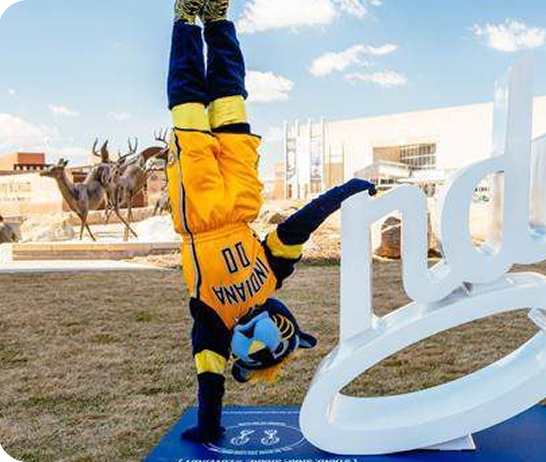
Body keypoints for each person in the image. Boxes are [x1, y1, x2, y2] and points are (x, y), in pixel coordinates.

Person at [167, 0, 376, 443]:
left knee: (189, 109)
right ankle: (218, 20)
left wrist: (207, 428)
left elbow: (210, 379)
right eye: (279, 338)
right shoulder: (269, 278)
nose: (264, 338)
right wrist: (347, 191)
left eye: (255, 351)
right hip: (242, 201)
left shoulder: (212, 322)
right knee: (230, 104)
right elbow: (302, 223)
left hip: (200, 212)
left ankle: (186, 19)